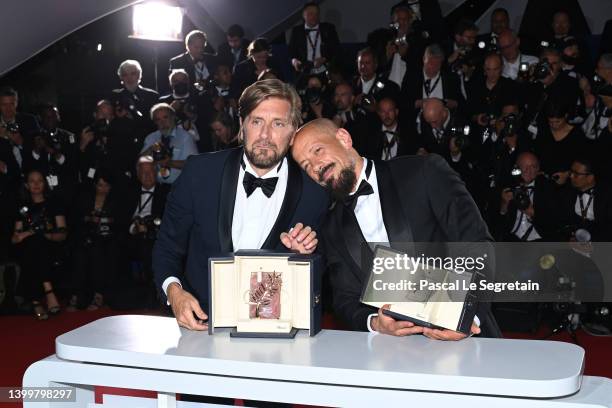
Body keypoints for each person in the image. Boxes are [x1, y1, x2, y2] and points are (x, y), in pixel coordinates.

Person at [291, 118, 500, 339]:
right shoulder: (332, 226)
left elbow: (476, 244)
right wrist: (375, 324)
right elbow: (345, 299)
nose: (315, 167)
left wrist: (469, 320)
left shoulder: (423, 171)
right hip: (394, 356)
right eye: (306, 166)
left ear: (344, 138)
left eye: (317, 151)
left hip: (467, 340)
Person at [153, 79, 329, 331]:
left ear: (293, 133)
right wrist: (174, 292)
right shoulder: (199, 173)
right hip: (201, 324)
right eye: (257, 121)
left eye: (278, 124)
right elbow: (167, 246)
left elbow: (323, 278)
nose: (266, 135)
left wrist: (304, 261)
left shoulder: (315, 192)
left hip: (278, 332)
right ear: (242, 126)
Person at [11, 170, 67, 319]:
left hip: (51, 244)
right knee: (33, 244)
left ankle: (35, 300)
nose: (36, 184)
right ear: (26, 185)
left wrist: (46, 234)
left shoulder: (54, 204)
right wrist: (28, 233)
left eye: (39, 181)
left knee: (38, 243)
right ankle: (49, 291)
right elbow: (15, 238)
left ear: (45, 184)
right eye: (32, 181)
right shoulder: (23, 208)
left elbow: (62, 233)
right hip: (28, 247)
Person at [71, 171, 122, 310]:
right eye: (100, 185)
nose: (103, 188)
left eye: (106, 185)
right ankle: (78, 294)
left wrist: (105, 220)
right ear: (95, 185)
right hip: (87, 235)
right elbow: (78, 218)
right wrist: (89, 218)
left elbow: (119, 220)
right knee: (79, 254)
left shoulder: (116, 199)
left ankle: (99, 295)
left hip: (108, 237)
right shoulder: (86, 198)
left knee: (100, 252)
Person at [497, 152, 557, 241]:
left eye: (533, 166)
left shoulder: (548, 189)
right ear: (516, 168)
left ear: (538, 169)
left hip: (538, 240)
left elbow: (554, 224)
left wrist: (533, 213)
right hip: (511, 240)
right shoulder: (507, 187)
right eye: (525, 166)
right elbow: (496, 223)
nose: (529, 170)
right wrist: (504, 204)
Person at [141, 103, 198, 184]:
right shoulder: (151, 138)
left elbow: (193, 164)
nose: (162, 122)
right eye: (158, 119)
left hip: (179, 187)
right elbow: (139, 162)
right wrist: (150, 150)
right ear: (155, 122)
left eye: (165, 117)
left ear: (173, 117)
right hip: (157, 187)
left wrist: (169, 163)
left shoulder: (185, 137)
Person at [288, 2, 340, 76]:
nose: (314, 16)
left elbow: (337, 49)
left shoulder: (328, 29)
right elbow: (291, 52)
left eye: (316, 14)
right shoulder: (297, 31)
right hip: (304, 70)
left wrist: (324, 59)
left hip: (325, 70)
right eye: (310, 14)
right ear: (303, 16)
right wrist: (294, 61)